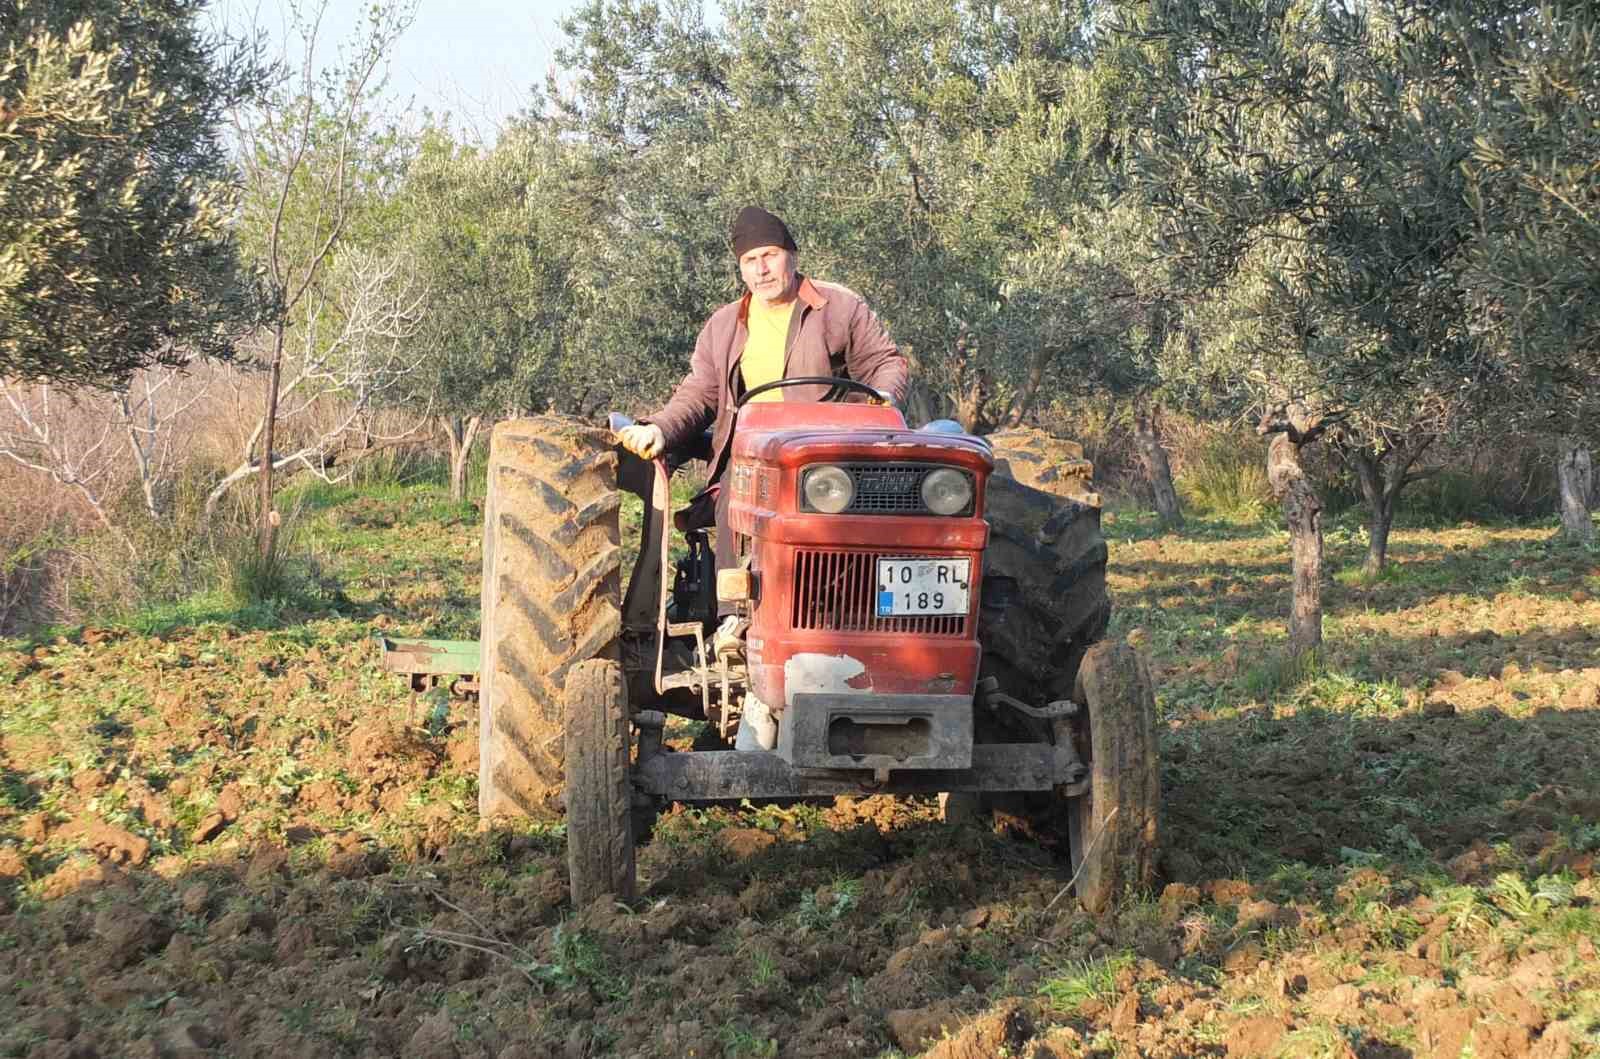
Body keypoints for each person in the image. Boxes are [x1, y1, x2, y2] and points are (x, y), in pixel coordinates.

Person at [616, 206, 909, 655]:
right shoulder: (724, 324)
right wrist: (661, 428)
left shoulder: (838, 307)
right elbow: (700, 393)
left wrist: (881, 398)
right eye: (750, 261)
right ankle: (736, 616)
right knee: (736, 490)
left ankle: (862, 615)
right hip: (756, 454)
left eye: (770, 255)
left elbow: (885, 362)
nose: (762, 269)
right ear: (740, 269)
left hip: (831, 455)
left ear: (791, 256)